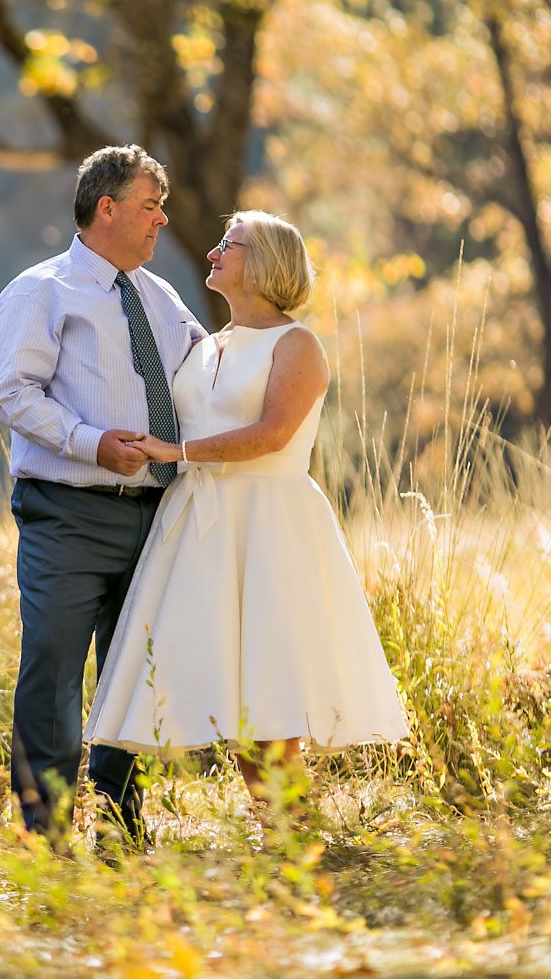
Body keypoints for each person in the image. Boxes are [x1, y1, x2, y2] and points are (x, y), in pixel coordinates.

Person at [85, 210, 410, 808]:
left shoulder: (298, 345)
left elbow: (273, 434)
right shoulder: (206, 346)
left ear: (261, 264)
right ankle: (279, 837)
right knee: (236, 695)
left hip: (269, 527)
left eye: (226, 246)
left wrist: (176, 452)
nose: (211, 253)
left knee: (271, 691)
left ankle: (289, 842)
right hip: (201, 528)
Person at [0, 145, 207, 836]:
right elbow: (12, 394)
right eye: (150, 206)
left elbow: (203, 376)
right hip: (69, 515)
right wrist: (92, 442)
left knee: (134, 671)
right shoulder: (40, 292)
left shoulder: (160, 297)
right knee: (53, 666)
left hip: (154, 516)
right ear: (105, 208)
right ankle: (44, 833)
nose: (162, 221)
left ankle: (118, 824)